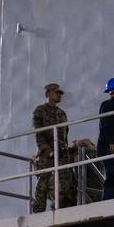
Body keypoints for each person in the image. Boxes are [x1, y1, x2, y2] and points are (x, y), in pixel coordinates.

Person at [31, 83, 77, 213]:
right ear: (49, 94)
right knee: (43, 181)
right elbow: (38, 132)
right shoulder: (39, 111)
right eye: (57, 93)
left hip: (61, 153)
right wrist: (45, 149)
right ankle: (38, 209)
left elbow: (64, 134)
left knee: (65, 180)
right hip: (46, 153)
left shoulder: (61, 114)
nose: (59, 95)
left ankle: (56, 205)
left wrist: (66, 150)